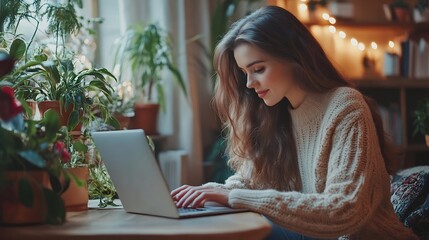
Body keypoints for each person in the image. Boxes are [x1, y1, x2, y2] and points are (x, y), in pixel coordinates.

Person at [171, 5, 417, 240]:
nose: (249, 83)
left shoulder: (345, 106)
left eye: (258, 68)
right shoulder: (275, 114)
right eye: (245, 72)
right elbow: (247, 182)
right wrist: (199, 195)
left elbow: (344, 210)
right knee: (214, 225)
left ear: (293, 56)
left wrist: (234, 197)